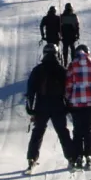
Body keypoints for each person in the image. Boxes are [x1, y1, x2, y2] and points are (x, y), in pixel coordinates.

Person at [24, 43, 72, 171]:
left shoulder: (37, 70)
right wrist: (68, 106)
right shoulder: (62, 70)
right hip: (58, 105)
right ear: (57, 54)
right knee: (63, 132)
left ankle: (32, 159)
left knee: (38, 132)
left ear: (44, 54)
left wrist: (30, 108)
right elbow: (68, 90)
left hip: (41, 105)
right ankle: (71, 158)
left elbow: (31, 90)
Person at [65, 43, 91, 170]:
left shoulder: (72, 66)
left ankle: (78, 156)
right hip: (90, 103)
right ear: (88, 53)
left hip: (76, 103)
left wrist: (67, 99)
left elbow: (69, 85)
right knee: (88, 130)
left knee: (77, 130)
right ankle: (89, 155)